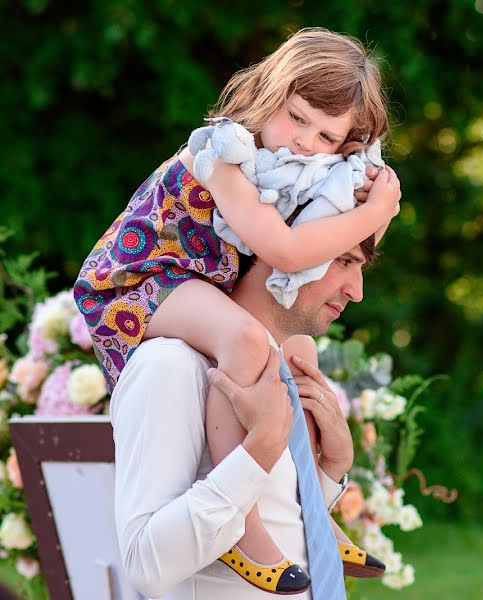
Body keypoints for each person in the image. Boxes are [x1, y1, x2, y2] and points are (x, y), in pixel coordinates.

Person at [74, 28, 398, 594]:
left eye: (327, 136)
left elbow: (320, 223)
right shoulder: (223, 152)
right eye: (296, 118)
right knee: (247, 344)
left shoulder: (285, 171)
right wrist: (377, 212)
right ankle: (242, 535)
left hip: (191, 281)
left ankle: (308, 524)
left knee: (295, 351)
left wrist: (328, 474)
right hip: (137, 282)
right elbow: (286, 250)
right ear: (270, 93)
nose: (304, 142)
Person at [113, 235, 381, 598]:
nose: (357, 291)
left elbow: (282, 526)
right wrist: (259, 450)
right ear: (279, 246)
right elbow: (144, 565)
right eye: (344, 262)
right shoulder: (171, 365)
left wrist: (330, 470)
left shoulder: (288, 361)